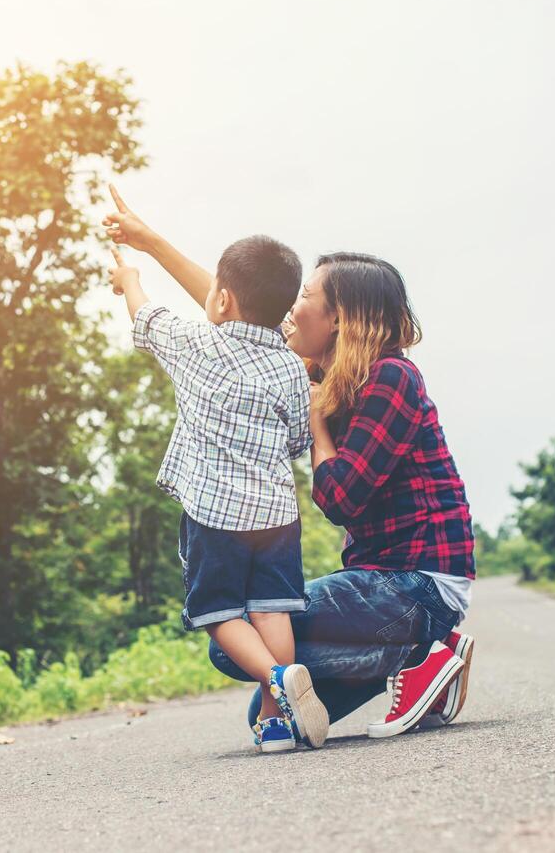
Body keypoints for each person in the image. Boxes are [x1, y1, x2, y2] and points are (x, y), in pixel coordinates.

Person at [105, 191, 477, 740]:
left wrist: (317, 420)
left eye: (305, 295)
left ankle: (421, 657)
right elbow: (236, 312)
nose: (291, 307)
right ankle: (419, 665)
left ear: (337, 319)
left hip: (417, 583)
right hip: (378, 581)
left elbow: (339, 499)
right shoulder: (313, 367)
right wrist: (151, 242)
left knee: (245, 633)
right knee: (247, 670)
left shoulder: (391, 378)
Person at [105, 190, 327, 753]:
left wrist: (129, 276)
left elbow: (144, 313)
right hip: (276, 515)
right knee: (271, 609)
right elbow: (300, 438)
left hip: (215, 516)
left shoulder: (195, 344)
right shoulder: (287, 363)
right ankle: (276, 722)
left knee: (219, 613)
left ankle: (277, 680)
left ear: (223, 299)